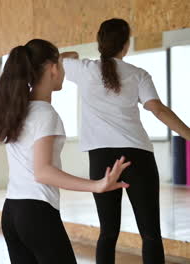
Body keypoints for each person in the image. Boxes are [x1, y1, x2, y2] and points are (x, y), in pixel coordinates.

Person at [0, 38, 131, 264]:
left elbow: (66, 57)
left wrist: (57, 57)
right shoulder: (45, 114)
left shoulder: (18, 110)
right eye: (60, 66)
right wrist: (97, 185)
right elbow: (43, 172)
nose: (64, 71)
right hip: (36, 213)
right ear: (53, 69)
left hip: (12, 211)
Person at [62, 18, 190, 264]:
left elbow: (59, 58)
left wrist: (75, 53)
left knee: (108, 233)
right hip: (137, 156)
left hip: (101, 158)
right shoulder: (138, 74)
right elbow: (158, 109)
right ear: (126, 44)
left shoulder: (84, 69)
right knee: (150, 234)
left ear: (100, 42)